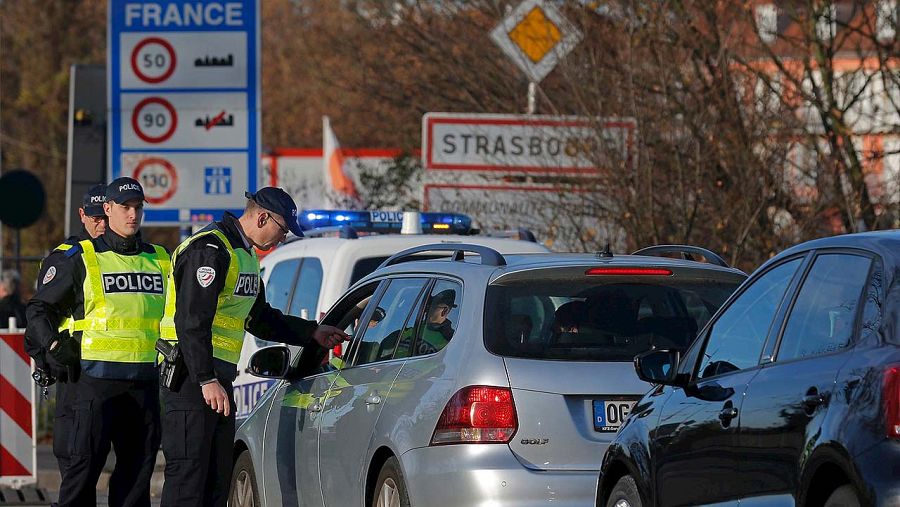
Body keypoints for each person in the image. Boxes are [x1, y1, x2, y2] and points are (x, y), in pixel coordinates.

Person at [158, 187, 348, 507]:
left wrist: (313, 332)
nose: (282, 238)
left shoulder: (243, 256)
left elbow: (259, 318)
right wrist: (205, 378)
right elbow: (191, 321)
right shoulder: (209, 249)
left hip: (217, 380)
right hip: (190, 379)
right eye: (282, 229)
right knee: (188, 479)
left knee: (217, 479)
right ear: (262, 217)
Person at [26, 177, 169, 507]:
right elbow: (38, 309)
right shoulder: (81, 257)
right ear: (108, 209)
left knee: (137, 478)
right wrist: (52, 346)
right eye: (124, 208)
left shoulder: (160, 259)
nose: (132, 215)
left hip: (144, 384)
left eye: (138, 208)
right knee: (82, 473)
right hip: (92, 383)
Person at [24, 183, 106, 485]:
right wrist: (52, 348)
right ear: (82, 215)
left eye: (105, 217)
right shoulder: (68, 257)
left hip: (114, 370)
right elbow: (38, 313)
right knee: (74, 460)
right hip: (74, 370)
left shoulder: (123, 255)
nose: (101, 224)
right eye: (95, 217)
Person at [414, 289, 457, 355]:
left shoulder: (450, 340)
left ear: (445, 311)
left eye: (431, 306)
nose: (425, 310)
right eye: (426, 306)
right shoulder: (415, 327)